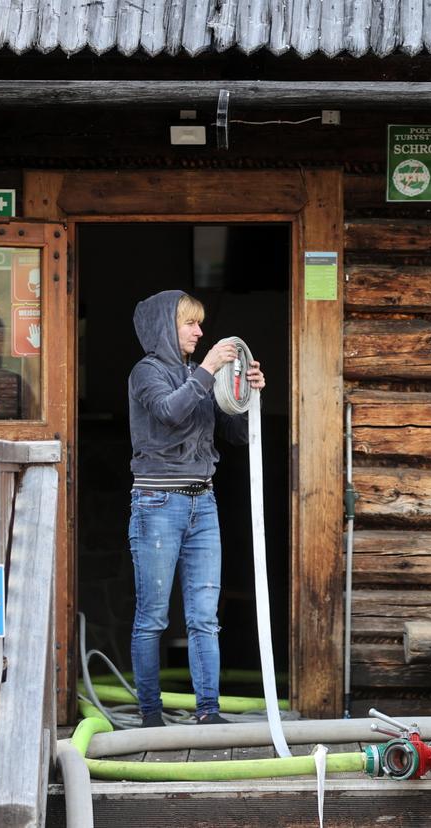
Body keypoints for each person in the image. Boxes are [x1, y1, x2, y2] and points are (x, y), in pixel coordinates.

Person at [128, 290, 265, 727]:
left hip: (203, 502)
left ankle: (209, 711)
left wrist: (247, 391)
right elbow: (169, 412)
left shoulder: (195, 374)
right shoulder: (146, 372)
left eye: (200, 323)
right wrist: (208, 370)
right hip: (157, 503)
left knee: (205, 618)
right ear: (167, 326)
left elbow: (235, 434)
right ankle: (150, 716)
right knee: (153, 617)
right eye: (190, 323)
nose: (200, 332)